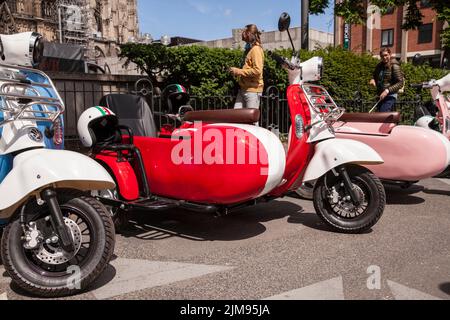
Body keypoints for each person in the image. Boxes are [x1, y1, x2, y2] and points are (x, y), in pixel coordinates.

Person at [229, 24, 264, 111]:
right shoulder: (251, 50)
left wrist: (238, 71)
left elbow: (257, 71)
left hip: (253, 91)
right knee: (236, 117)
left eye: (246, 41)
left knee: (251, 121)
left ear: (250, 35)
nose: (245, 44)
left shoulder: (256, 50)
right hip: (243, 89)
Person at [369, 47, 404, 112]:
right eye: (382, 56)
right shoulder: (379, 66)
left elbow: (400, 83)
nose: (384, 57)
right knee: (381, 116)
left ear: (390, 54)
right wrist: (373, 79)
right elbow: (374, 75)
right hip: (380, 95)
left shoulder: (395, 66)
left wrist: (387, 91)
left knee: (383, 114)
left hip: (390, 95)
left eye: (386, 55)